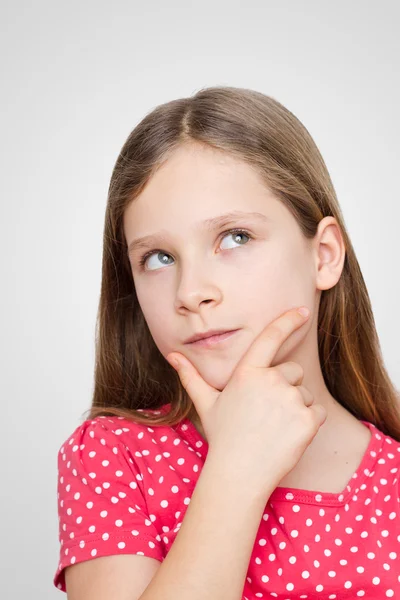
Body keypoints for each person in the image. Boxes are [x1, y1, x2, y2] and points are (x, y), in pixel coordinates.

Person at [53, 86, 400, 599]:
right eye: (158, 258)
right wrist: (236, 469)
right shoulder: (113, 456)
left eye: (235, 237)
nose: (192, 292)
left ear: (324, 255)